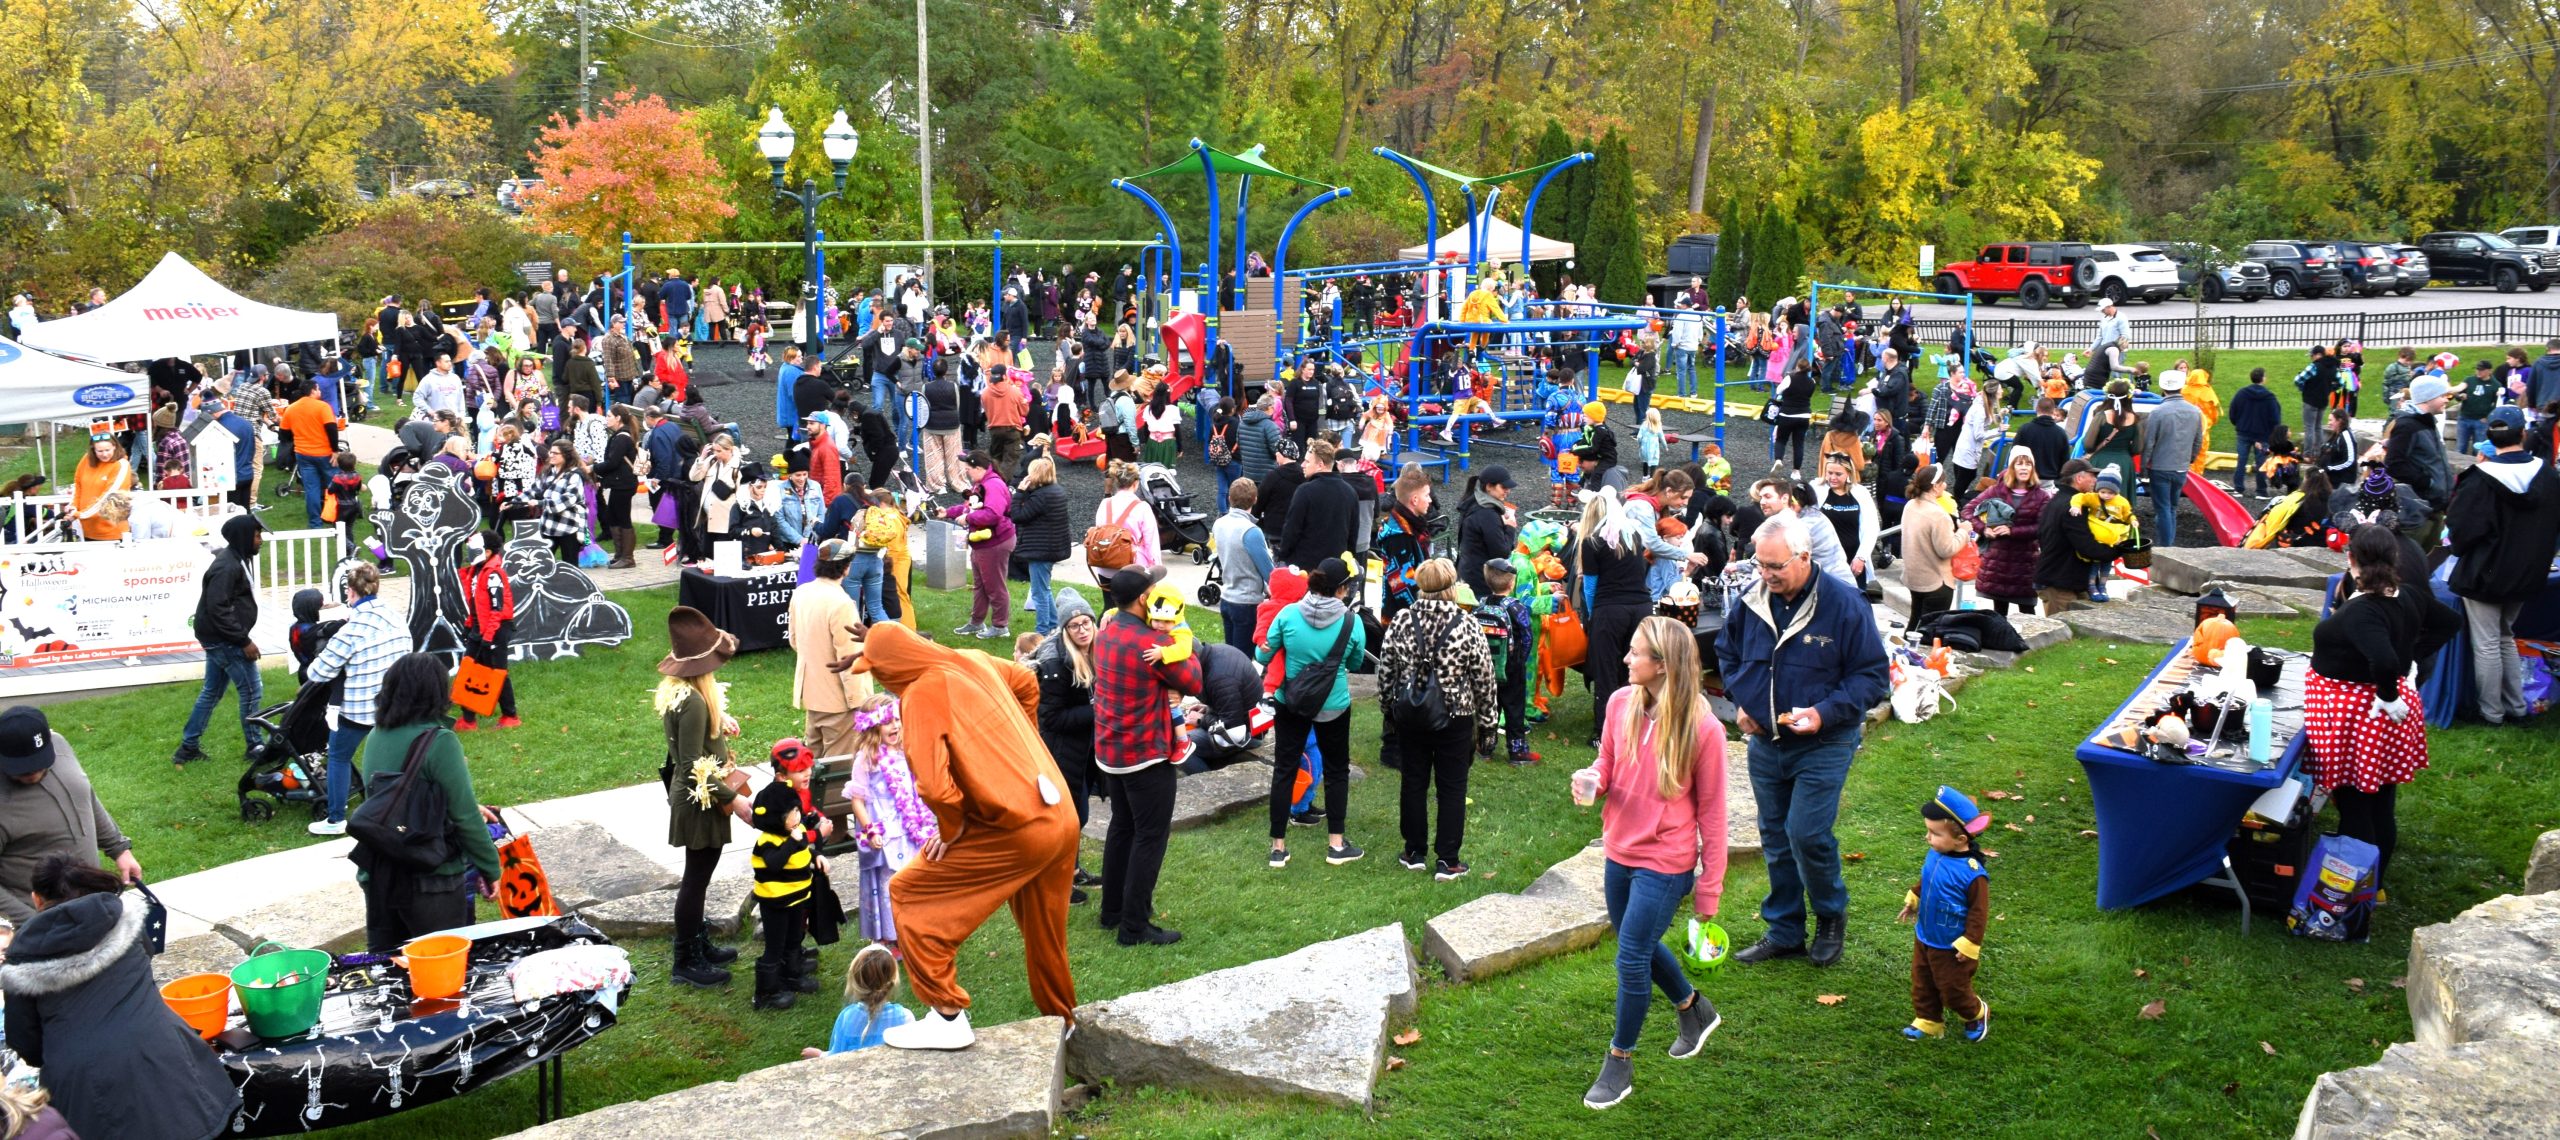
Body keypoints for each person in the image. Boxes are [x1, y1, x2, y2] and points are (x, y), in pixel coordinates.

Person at [843, 619, 1081, 1050]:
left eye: (877, 670)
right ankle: (1064, 1021)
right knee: (1045, 931)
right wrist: (1024, 747)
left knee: (910, 894)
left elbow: (934, 786)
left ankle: (947, 1016)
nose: (881, 679)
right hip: (1059, 811)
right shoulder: (970, 659)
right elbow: (1027, 684)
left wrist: (953, 830)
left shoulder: (919, 696)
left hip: (1018, 828)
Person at [1569, 615, 1729, 1111]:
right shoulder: (1620, 703)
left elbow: (1714, 816)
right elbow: (1609, 767)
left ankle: (1620, 1061)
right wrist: (1593, 779)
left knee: (1631, 955)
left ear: (1662, 665)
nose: (1625, 659)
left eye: (1635, 653)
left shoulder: (1704, 729)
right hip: (1619, 848)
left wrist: (1709, 890)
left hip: (1667, 859)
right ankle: (1693, 1008)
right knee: (1633, 941)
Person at [1721, 513, 1891, 968]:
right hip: (1766, 743)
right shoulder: (1752, 599)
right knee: (1775, 837)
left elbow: (1872, 677)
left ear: (1804, 557)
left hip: (1825, 743)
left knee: (1807, 833)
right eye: (1761, 564)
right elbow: (1727, 653)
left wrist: (1823, 714)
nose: (1767, 575)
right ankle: (1785, 930)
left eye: (1775, 566)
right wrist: (1744, 704)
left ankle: (1831, 917)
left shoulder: (1843, 604)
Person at [0, 853, 238, 1140]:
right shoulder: (126, 923)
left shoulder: (19, 961)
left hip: (82, 1082)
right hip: (161, 1052)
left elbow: (25, 1041)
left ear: (37, 899)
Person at [2306, 527, 2455, 895]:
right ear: (2394, 559)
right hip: (2380, 712)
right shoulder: (2409, 595)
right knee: (2381, 799)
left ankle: (2353, 893)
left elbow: (2385, 659)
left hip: (2361, 715)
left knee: (2357, 804)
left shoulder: (2365, 611)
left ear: (2351, 558)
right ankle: (2375, 885)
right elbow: (2450, 622)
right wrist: (2413, 661)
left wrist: (2389, 689)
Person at [345, 652, 503, 953]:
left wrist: (453, 807)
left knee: (393, 973)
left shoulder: (377, 735)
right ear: (436, 693)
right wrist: (490, 868)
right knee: (443, 973)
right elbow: (465, 818)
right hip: (430, 879)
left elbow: (392, 802)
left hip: (381, 873)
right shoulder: (439, 741)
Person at [1089, 567, 1206, 940]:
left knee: (1122, 826)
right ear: (1144, 598)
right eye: (1153, 588)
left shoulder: (1105, 633)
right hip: (1145, 754)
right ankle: (1134, 925)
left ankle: (1112, 911)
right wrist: (1176, 631)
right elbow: (1193, 680)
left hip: (1109, 750)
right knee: (1150, 836)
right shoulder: (1149, 643)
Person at [1377, 559, 1499, 880]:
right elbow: (1484, 680)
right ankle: (1448, 860)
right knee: (1452, 787)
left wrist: (1388, 710)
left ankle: (1414, 851)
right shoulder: (1467, 623)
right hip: (1456, 717)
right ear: (1451, 586)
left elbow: (1386, 670)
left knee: (1413, 782)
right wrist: (1488, 725)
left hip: (1411, 715)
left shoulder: (1402, 620)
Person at [2445, 404, 2560, 725]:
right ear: (2523, 434)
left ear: (2489, 438)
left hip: (2486, 572)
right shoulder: (2548, 475)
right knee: (2505, 635)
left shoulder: (2481, 479)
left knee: (2487, 644)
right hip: (2528, 572)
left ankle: (2491, 711)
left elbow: (2462, 529)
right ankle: (2516, 707)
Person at [1258, 557, 1367, 869]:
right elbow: (1357, 662)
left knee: (1284, 769)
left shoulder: (1289, 614)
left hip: (1290, 700)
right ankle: (1336, 844)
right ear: (1342, 589)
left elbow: (1262, 652)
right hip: (1333, 704)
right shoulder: (1351, 622)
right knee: (1336, 771)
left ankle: (1278, 847)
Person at [0, 707, 143, 928]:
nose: (32, 773)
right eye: (22, 769)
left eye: (39, 763)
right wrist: (31, 924)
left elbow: (86, 797)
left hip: (92, 907)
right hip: (41, 922)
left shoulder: (58, 743)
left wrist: (119, 849)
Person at [301, 565, 411, 836]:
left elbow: (318, 672)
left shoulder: (352, 629)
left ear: (349, 592)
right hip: (395, 703)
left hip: (359, 708)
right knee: (398, 760)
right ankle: (400, 809)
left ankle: (336, 818)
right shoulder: (395, 617)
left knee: (338, 756)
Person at [1899, 786, 1993, 1042]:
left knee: (1952, 988)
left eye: (1934, 833)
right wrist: (1914, 897)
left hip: (1952, 944)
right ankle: (1929, 1019)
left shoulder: (1973, 874)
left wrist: (1970, 942)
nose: (1928, 838)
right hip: (1926, 935)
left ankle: (1975, 1012)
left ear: (1961, 840)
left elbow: (1979, 912)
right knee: (1922, 981)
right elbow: (1929, 879)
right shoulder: (1936, 854)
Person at [172, 514, 264, 767]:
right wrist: (243, 641)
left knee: (211, 692)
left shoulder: (237, 558)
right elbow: (218, 608)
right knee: (252, 690)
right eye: (257, 536)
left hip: (217, 636)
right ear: (245, 537)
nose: (261, 540)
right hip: (223, 639)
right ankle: (255, 746)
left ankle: (187, 748)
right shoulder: (227, 566)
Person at [1034, 589, 1103, 899]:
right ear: (1064, 630)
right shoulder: (1055, 664)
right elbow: (1051, 718)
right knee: (1065, 819)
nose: (1082, 630)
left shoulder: (1095, 651)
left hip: (1086, 748)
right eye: (1074, 625)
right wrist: (1097, 709)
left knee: (1080, 815)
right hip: (1061, 751)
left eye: (1086, 622)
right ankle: (1059, 879)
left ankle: (1073, 871)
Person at [1579, 490, 1659, 747]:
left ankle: (1603, 732)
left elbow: (1590, 587)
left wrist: (1591, 616)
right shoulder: (1633, 537)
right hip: (1641, 607)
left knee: (1605, 671)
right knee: (1634, 671)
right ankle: (1634, 724)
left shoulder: (1592, 542)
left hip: (1610, 609)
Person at [791, 539, 876, 763]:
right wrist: (860, 702)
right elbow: (851, 659)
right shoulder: (842, 603)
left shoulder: (802, 592)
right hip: (840, 700)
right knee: (836, 772)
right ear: (846, 567)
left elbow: (794, 640)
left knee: (809, 766)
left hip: (811, 693)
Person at [747, 778, 820, 1011]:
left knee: (793, 938)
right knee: (775, 945)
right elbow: (775, 863)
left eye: (798, 810)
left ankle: (792, 975)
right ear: (776, 817)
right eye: (792, 813)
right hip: (775, 901)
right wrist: (792, 842)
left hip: (797, 897)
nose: (797, 817)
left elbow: (804, 851)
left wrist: (817, 856)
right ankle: (766, 993)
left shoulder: (795, 832)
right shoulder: (767, 841)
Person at [1963, 448, 2050, 617]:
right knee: (1999, 613)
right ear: (2012, 467)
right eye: (2019, 463)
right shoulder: (1996, 490)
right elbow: (1968, 510)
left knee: (2027, 612)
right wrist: (1983, 528)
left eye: (2028, 464)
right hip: (1998, 562)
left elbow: (2042, 527)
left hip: (2024, 563)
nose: (2024, 468)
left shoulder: (2042, 496)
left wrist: (2012, 531)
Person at [946, 452, 1018, 641]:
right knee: (981, 585)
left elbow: (993, 514)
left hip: (995, 543)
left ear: (979, 468)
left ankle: (1000, 626)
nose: (967, 473)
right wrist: (947, 512)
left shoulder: (992, 485)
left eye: (969, 470)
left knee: (994, 586)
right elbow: (970, 507)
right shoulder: (981, 484)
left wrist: (968, 518)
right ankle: (976, 622)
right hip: (982, 543)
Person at [454, 532, 520, 730]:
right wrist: (469, 626)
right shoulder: (476, 571)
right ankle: (468, 719)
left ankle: (510, 716)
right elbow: (476, 604)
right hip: (479, 628)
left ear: (488, 552)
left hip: (496, 629)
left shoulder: (493, 574)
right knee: (469, 669)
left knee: (497, 672)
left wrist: (488, 636)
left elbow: (496, 610)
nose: (469, 553)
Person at [802, 943, 913, 1057]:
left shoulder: (848, 1017)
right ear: (893, 980)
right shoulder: (905, 1017)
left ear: (855, 981)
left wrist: (820, 1055)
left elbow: (837, 1058)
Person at [2385, 374, 2455, 546]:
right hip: (2418, 511)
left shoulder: (2427, 423)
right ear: (2428, 398)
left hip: (2435, 507)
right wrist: (2427, 482)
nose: (2446, 400)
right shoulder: (2407, 425)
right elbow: (2394, 464)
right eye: (2442, 396)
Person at [1008, 458, 1072, 635]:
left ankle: (1043, 631)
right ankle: (1054, 625)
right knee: (1044, 588)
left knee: (1039, 593)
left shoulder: (1041, 496)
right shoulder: (1056, 491)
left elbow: (1017, 515)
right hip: (1051, 547)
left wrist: (1020, 492)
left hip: (1040, 550)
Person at [1211, 478, 1272, 655]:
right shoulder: (1250, 531)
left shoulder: (1219, 524)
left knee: (1231, 658)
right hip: (1247, 602)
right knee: (1242, 662)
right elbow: (1268, 571)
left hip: (1227, 598)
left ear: (1229, 498)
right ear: (1255, 500)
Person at [1279, 438, 1360, 569]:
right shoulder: (1350, 492)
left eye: (1307, 461)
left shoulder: (1304, 491)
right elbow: (1353, 534)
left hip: (1305, 568)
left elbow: (1292, 529)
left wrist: (1283, 556)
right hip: (1336, 568)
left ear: (1320, 465)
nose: (1302, 465)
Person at [1899, 465, 1962, 622]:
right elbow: (1946, 549)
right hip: (1936, 582)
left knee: (1914, 623)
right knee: (1930, 632)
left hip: (1914, 578)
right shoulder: (1939, 515)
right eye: (1944, 482)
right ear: (1935, 486)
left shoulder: (1910, 505)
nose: (1946, 485)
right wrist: (1964, 532)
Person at [1453, 465, 1522, 596]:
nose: (1508, 491)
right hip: (1480, 580)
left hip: (1466, 571)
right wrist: (1510, 528)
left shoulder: (1472, 501)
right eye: (1503, 487)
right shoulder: (1487, 514)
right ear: (1489, 486)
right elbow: (1501, 552)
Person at [1094, 460, 1163, 569]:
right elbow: (1151, 543)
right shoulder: (1142, 507)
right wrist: (1156, 567)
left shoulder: (1105, 503)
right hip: (1131, 565)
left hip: (1105, 564)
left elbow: (1099, 530)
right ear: (1135, 484)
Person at [67, 437, 134, 542]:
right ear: (93, 450)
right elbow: (78, 484)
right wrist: (73, 506)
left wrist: (81, 514)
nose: (104, 454)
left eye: (108, 450)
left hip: (113, 531)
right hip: (88, 529)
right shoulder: (86, 459)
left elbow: (108, 497)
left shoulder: (121, 464)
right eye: (100, 451)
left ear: (115, 447)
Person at [2228, 368, 2281, 497]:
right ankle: (2261, 491)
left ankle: (2238, 488)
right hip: (2262, 435)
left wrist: (2239, 424)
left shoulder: (2241, 394)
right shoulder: (2269, 397)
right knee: (2261, 463)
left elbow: (2233, 411)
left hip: (2243, 432)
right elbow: (2275, 418)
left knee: (2241, 460)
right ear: (2263, 378)